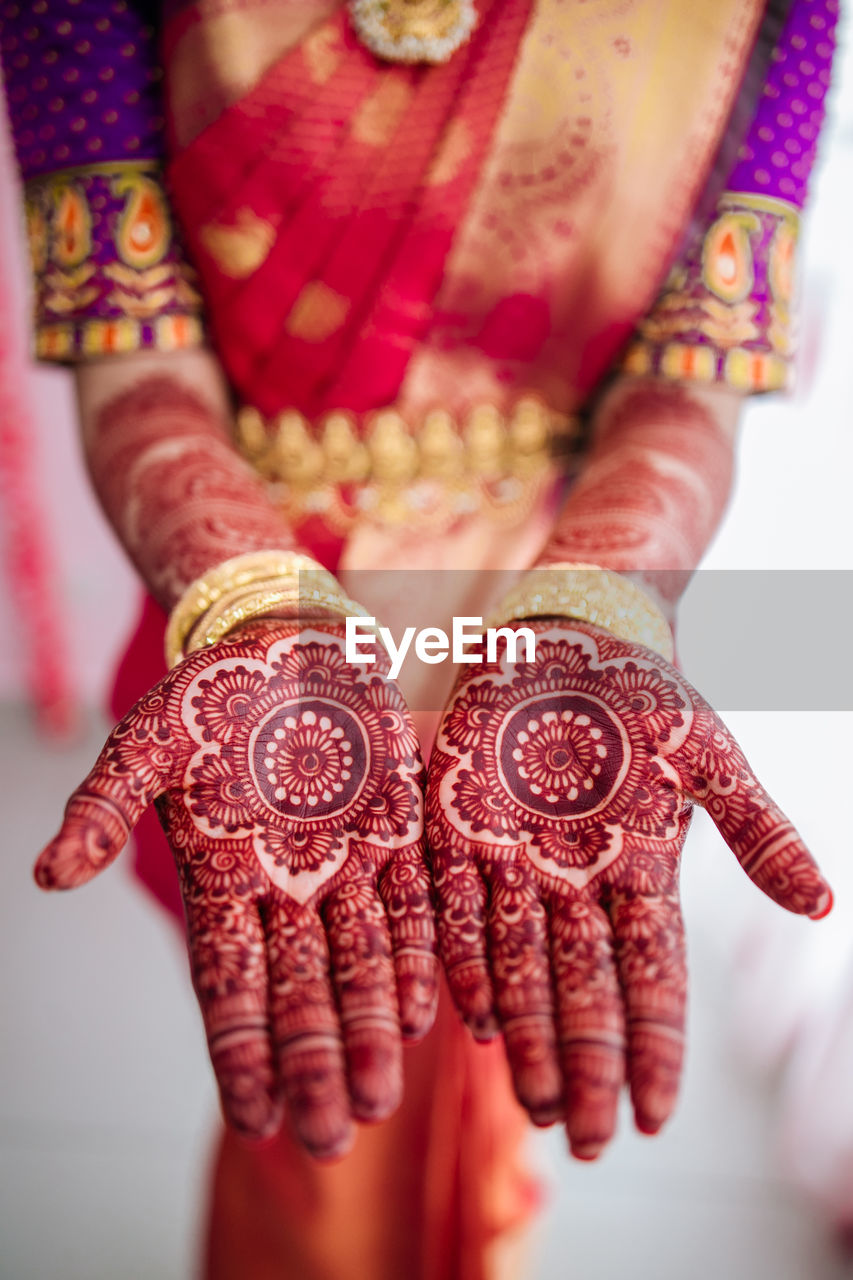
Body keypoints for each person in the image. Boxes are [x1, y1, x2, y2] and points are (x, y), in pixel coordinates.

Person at [0, 0, 840, 1276]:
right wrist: (260, 619)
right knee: (315, 1099)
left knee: (505, 1044)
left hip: (558, 594)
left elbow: (693, 375)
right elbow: (136, 352)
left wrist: (590, 614)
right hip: (248, 590)